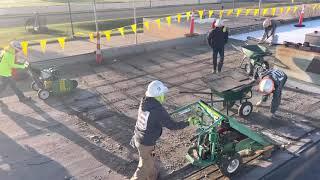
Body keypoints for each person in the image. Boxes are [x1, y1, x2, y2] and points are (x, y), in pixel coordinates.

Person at [130, 80, 188, 180]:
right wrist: (188, 122)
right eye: (162, 94)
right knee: (143, 168)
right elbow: (172, 125)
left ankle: (153, 177)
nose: (164, 96)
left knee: (150, 159)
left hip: (138, 138)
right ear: (158, 96)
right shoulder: (157, 109)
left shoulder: (144, 101)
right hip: (146, 144)